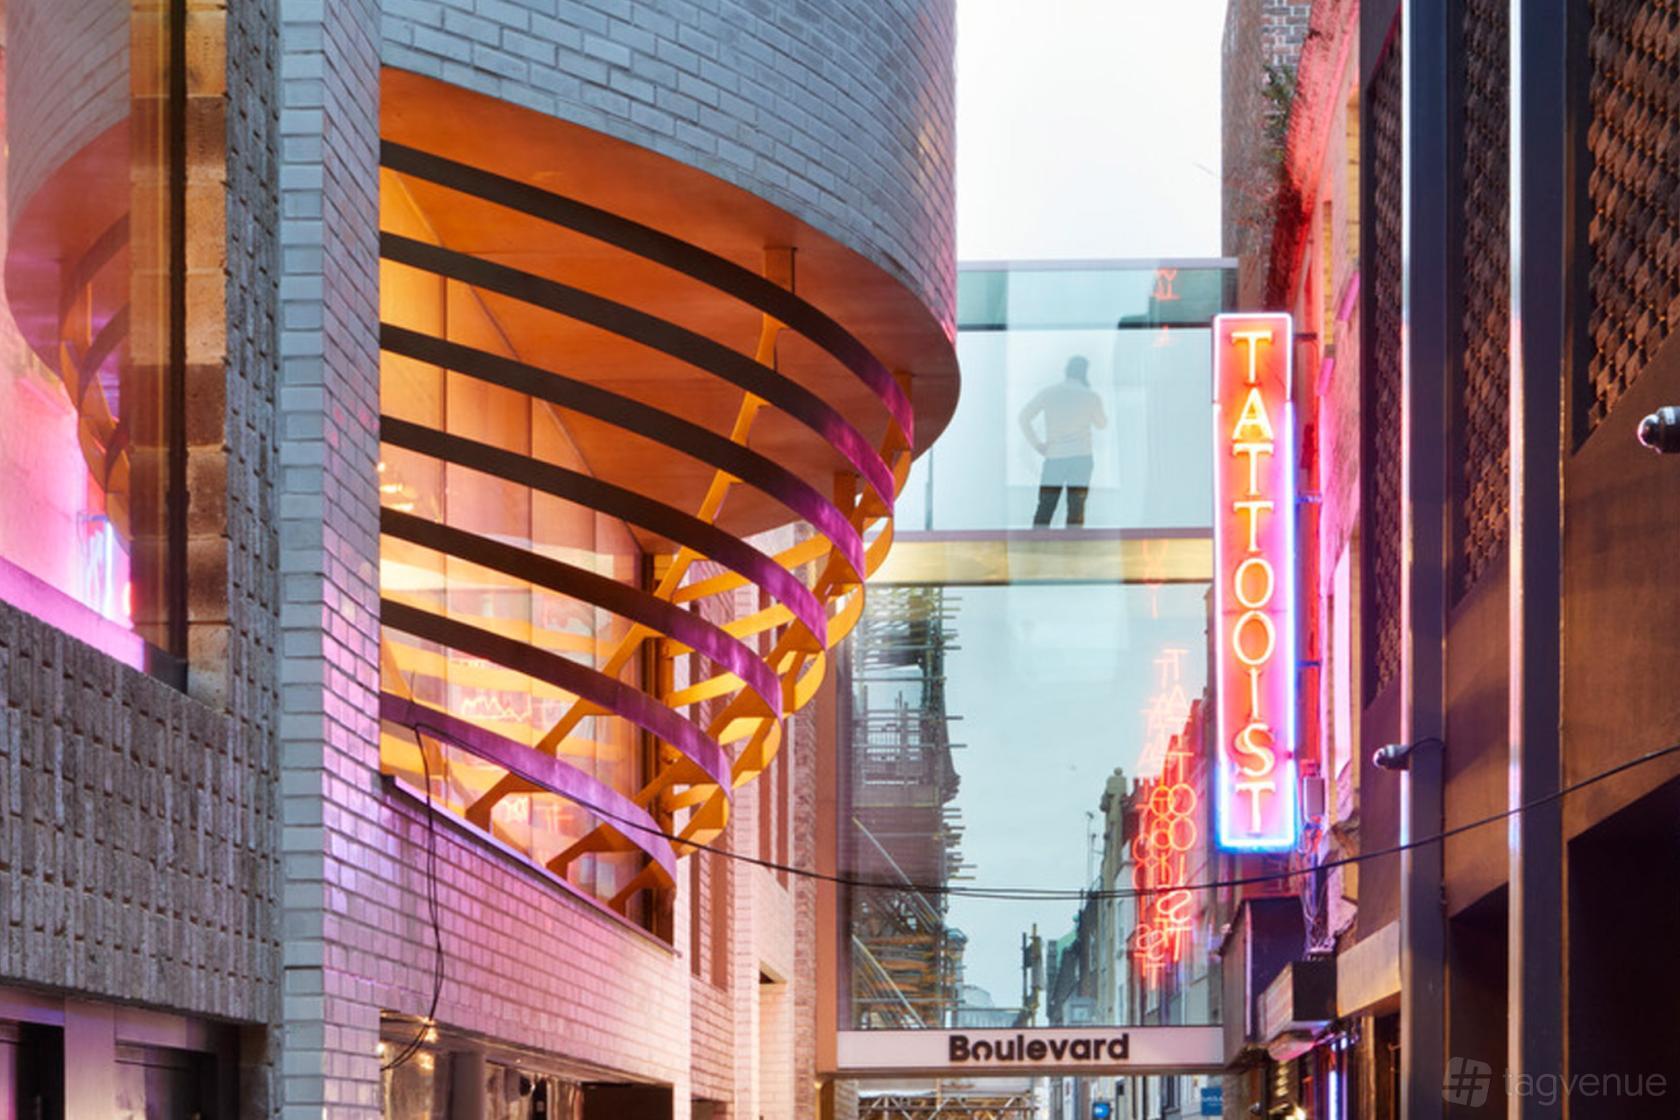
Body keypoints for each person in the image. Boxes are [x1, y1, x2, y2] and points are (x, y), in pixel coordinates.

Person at [1019, 355, 1108, 527]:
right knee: (1076, 509)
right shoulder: (1091, 396)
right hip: (1082, 457)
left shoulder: (1049, 392)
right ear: (1085, 372)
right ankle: (1074, 543)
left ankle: (1036, 541)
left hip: (1055, 457)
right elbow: (1102, 424)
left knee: (1045, 506)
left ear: (1067, 370)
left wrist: (1037, 444)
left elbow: (1023, 417)